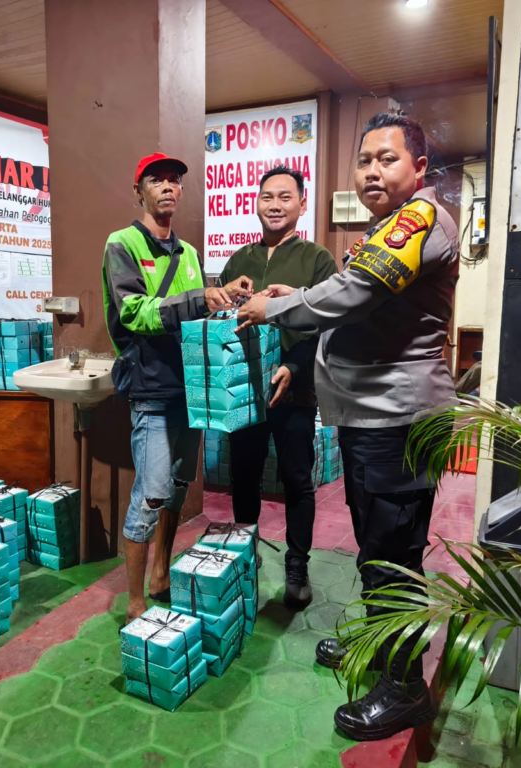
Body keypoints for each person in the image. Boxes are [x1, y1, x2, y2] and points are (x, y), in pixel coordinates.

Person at [235, 113, 459, 741]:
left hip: (398, 420)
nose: (372, 171)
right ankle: (379, 647)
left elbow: (357, 292)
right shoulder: (389, 225)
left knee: (395, 556)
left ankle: (405, 687)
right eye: (364, 161)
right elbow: (358, 290)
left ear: (418, 167)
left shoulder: (420, 218)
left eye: (388, 159)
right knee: (376, 546)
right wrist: (298, 294)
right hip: (372, 418)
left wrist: (276, 305)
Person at [102, 152, 249, 624]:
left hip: (192, 391)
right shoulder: (122, 244)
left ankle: (161, 574)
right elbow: (134, 312)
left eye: (174, 180)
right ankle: (135, 602)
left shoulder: (188, 254)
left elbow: (196, 316)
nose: (168, 187)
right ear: (139, 191)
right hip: (151, 391)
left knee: (178, 488)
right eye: (156, 180)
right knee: (150, 494)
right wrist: (197, 298)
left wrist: (225, 297)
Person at [218, 164, 338, 609]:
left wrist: (292, 366)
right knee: (243, 477)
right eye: (267, 196)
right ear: (256, 203)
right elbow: (221, 321)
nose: (275, 205)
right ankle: (245, 557)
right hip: (245, 392)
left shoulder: (318, 259)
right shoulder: (239, 260)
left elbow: (325, 327)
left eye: (285, 197)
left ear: (302, 205)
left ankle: (297, 565)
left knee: (297, 480)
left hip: (295, 391)